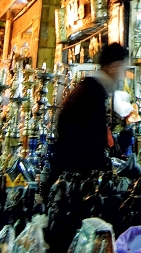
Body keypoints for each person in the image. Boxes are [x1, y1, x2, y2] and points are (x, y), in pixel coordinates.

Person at [49, 42, 130, 184]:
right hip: (74, 181)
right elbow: (86, 147)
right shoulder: (92, 94)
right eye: (123, 70)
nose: (122, 77)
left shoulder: (90, 88)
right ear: (114, 67)